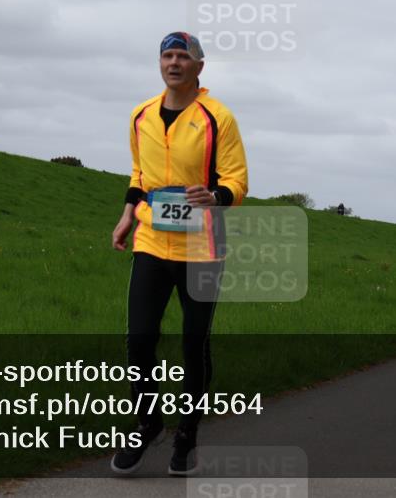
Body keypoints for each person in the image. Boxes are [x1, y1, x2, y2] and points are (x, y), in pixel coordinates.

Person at [110, 31, 248, 476]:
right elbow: (139, 172)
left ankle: (187, 434)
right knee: (140, 338)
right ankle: (148, 423)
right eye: (167, 56)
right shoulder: (140, 115)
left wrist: (215, 196)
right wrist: (129, 212)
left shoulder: (217, 117)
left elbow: (238, 181)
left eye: (183, 57)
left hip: (203, 244)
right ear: (160, 64)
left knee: (193, 342)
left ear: (199, 67)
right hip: (153, 239)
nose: (174, 63)